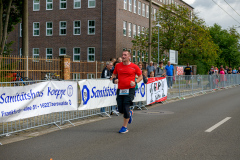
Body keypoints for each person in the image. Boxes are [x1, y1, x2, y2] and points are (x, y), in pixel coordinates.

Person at [111, 50, 142, 133]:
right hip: (120, 90)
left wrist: (135, 82)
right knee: (120, 109)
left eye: (125, 55)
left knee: (125, 106)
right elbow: (114, 75)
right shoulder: (118, 66)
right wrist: (114, 79)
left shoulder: (134, 66)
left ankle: (124, 127)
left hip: (130, 89)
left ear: (129, 57)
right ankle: (129, 113)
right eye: (122, 55)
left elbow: (140, 76)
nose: (123, 56)